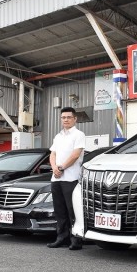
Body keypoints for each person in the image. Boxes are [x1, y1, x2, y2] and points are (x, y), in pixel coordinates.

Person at [48, 106, 86, 250]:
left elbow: (75, 155)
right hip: (56, 178)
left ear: (75, 119)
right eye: (63, 117)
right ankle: (61, 237)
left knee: (72, 210)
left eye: (69, 117)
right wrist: (54, 168)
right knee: (59, 210)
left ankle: (76, 239)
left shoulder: (79, 135)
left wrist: (61, 168)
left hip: (71, 178)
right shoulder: (58, 136)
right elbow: (52, 154)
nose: (66, 120)